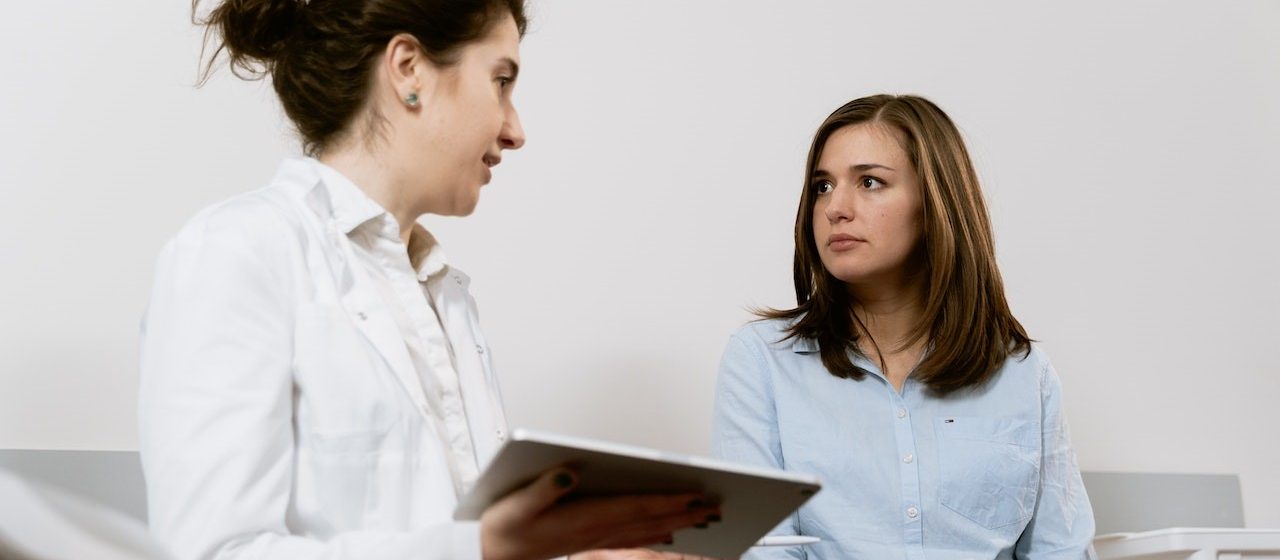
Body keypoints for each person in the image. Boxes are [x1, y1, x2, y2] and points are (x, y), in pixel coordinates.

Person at [138, 1, 718, 559]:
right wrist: (487, 549)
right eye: (501, 81)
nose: (515, 129)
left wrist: (567, 555)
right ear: (409, 69)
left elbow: (442, 532)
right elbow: (213, 552)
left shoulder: (443, 294)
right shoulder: (235, 253)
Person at [710, 94, 1096, 559]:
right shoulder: (761, 362)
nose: (836, 208)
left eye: (870, 182)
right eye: (822, 186)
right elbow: (764, 553)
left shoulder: (1023, 374)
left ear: (935, 202)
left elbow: (1062, 551)